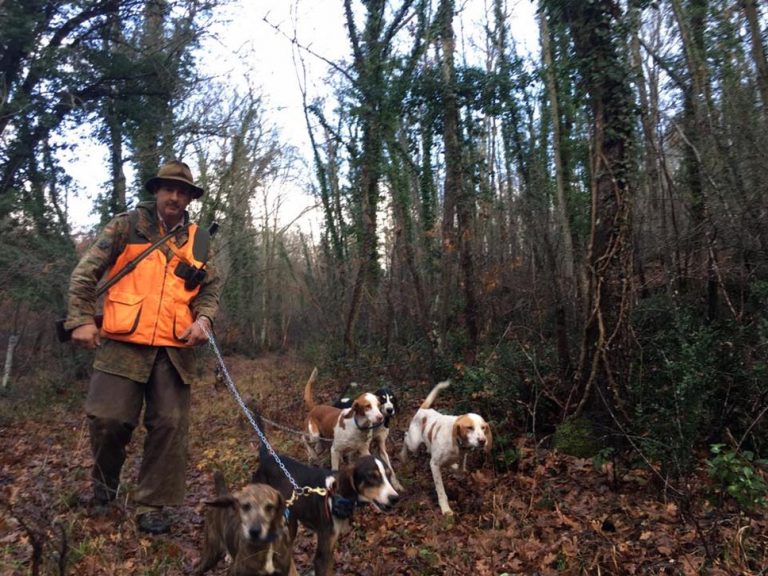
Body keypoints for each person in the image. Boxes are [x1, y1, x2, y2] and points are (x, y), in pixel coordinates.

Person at [64, 160, 221, 535]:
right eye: (169, 189)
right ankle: (103, 489)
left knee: (169, 425)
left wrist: (205, 320)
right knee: (108, 420)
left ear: (189, 199)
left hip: (174, 347)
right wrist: (82, 320)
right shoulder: (126, 225)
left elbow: (210, 289)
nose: (176, 196)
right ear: (156, 191)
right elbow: (85, 273)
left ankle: (152, 504)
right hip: (122, 343)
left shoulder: (199, 239)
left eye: (183, 192)